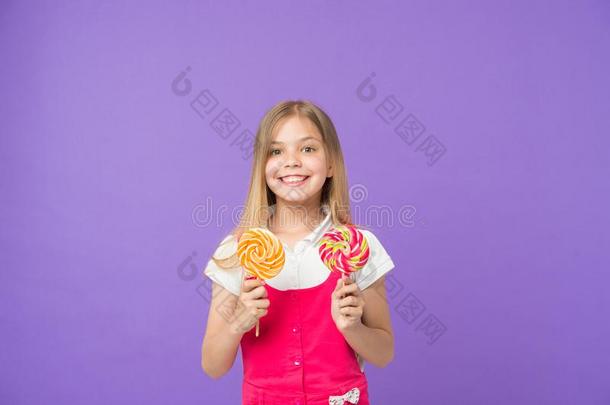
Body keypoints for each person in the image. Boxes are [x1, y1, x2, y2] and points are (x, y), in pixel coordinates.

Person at [201, 99, 396, 404]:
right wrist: (239, 320)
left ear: (331, 163)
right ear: (261, 166)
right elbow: (212, 366)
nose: (291, 161)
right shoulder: (238, 251)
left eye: (307, 149)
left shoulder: (356, 247)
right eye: (276, 151)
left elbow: (384, 353)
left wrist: (353, 328)